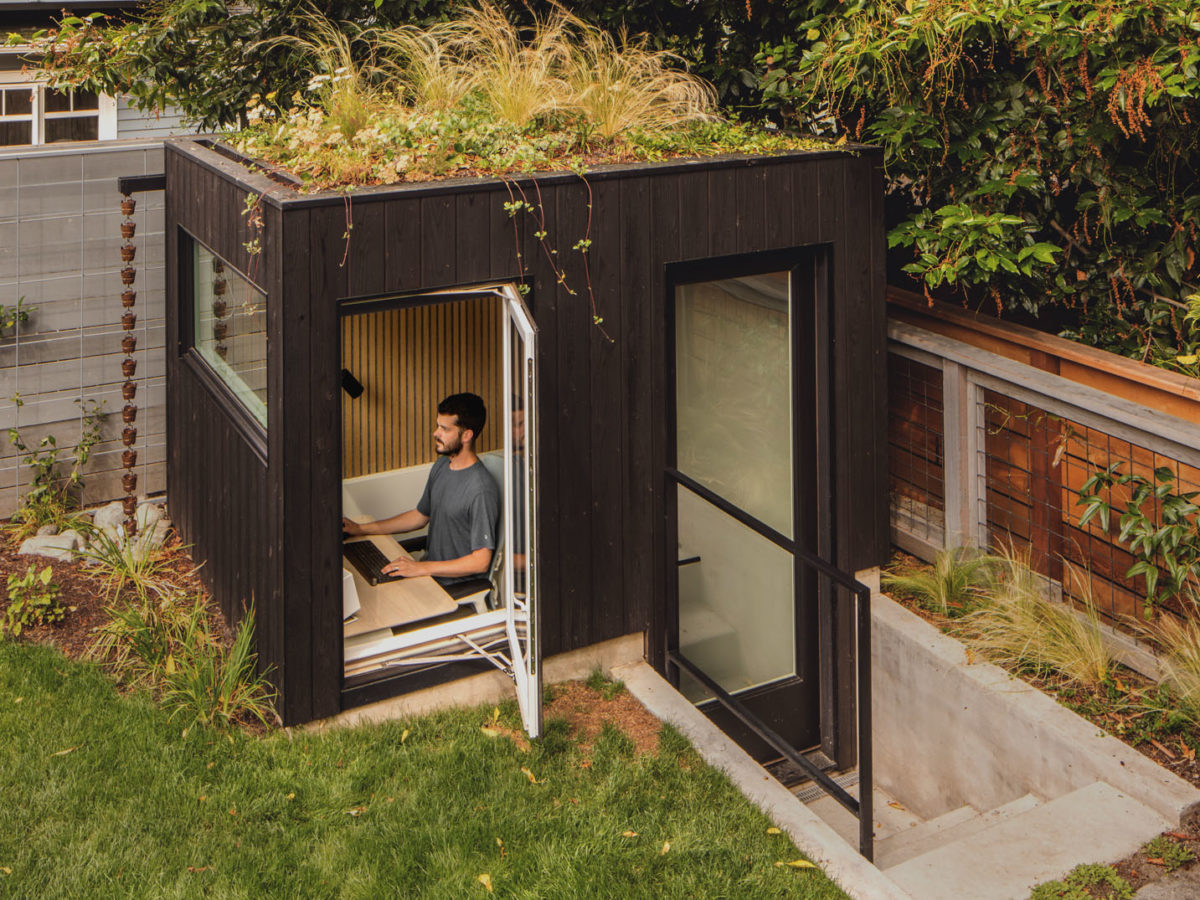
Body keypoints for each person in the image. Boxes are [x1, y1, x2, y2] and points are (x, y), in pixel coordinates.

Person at [343, 392, 500, 586]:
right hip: (428, 574)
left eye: (444, 429)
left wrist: (422, 568)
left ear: (466, 435)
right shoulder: (442, 465)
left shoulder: (481, 489)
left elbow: (481, 562)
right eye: (437, 426)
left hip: (451, 585)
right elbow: (419, 516)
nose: (436, 433)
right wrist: (360, 529)